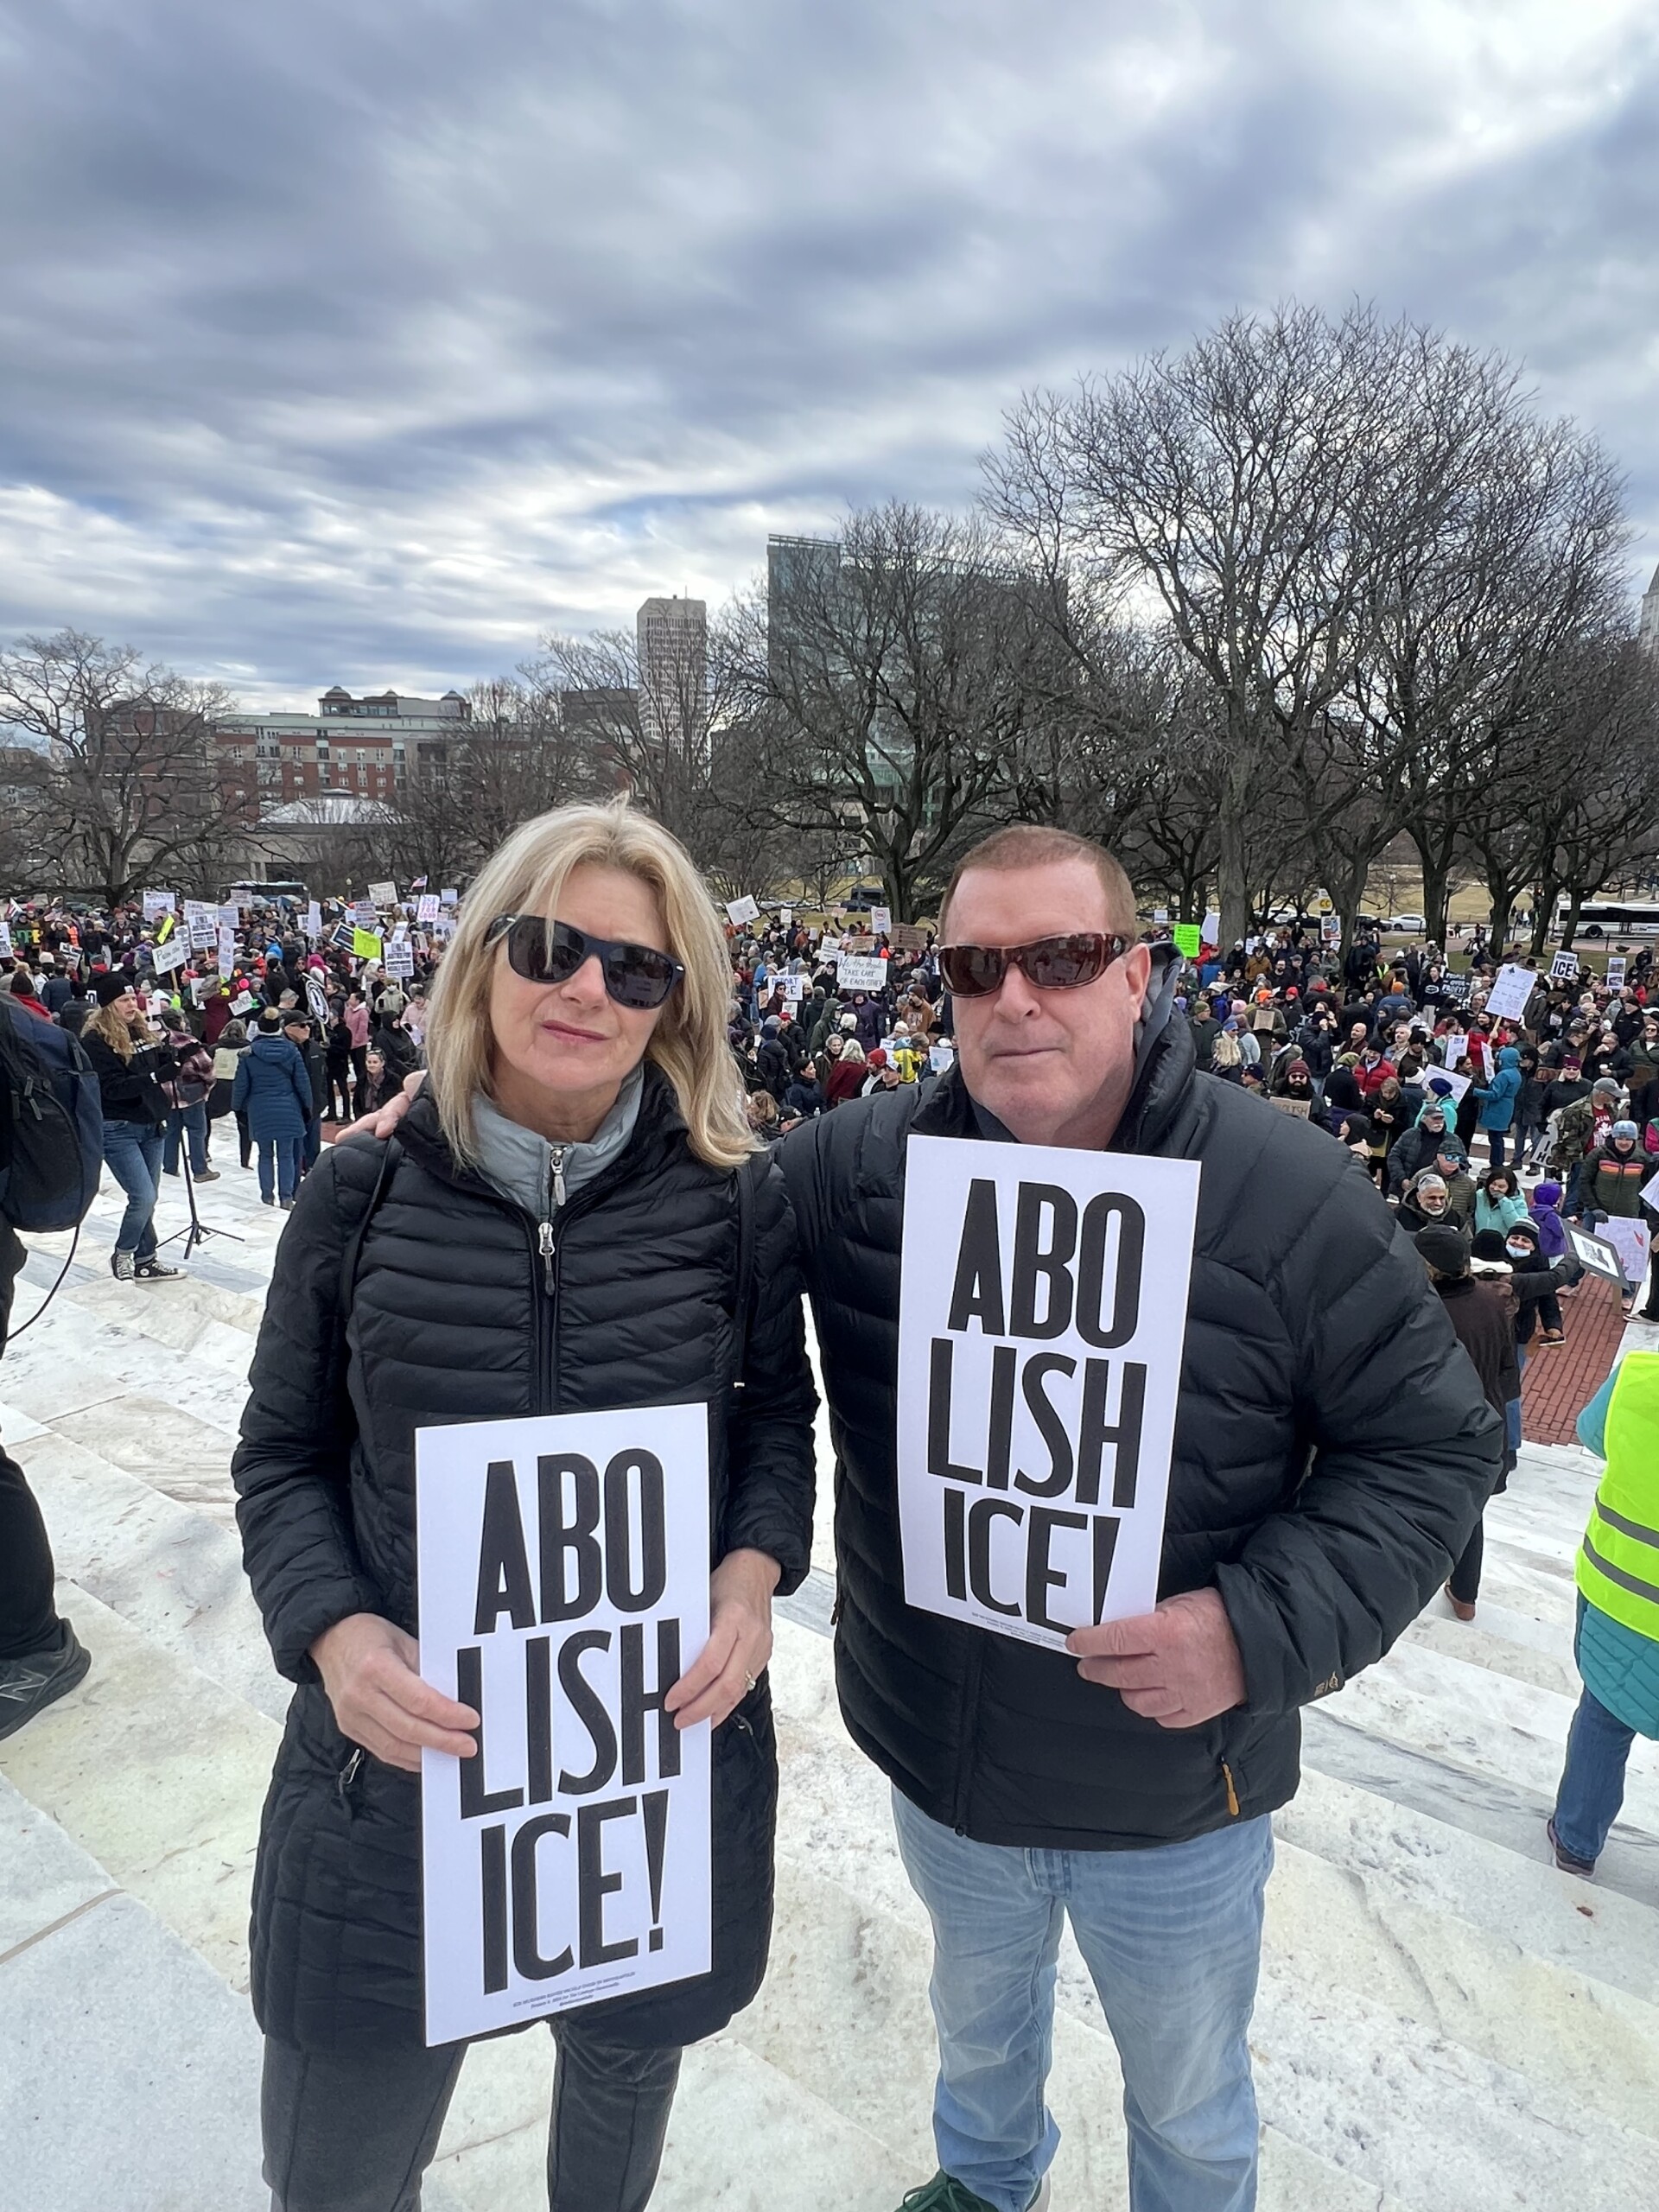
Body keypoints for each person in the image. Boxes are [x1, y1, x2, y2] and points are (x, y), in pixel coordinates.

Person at [774, 823, 1498, 2212]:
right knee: (979, 2043)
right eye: (974, 968)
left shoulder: (1287, 1193)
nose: (1015, 998)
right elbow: (672, 1221)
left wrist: (1250, 1631)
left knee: (1188, 2099)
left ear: (1138, 976)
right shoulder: (858, 1170)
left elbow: (1427, 1450)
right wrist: (442, 1124)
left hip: (1179, 1795)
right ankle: (988, 2185)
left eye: (1061, 956)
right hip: (947, 1761)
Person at [232, 800, 815, 2212]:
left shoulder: (731, 1201)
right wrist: (334, 1635)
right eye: (553, 947)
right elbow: (280, 1456)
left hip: (640, 1778)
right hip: (401, 1788)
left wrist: (750, 1574)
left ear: (680, 1003)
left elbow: (773, 1419)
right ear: (484, 956)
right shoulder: (362, 1192)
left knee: (613, 2137)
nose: (587, 990)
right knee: (343, 2179)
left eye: (639, 968)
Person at [1548, 1350, 1659, 1877]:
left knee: (1603, 1719)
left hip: (1620, 1596)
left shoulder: (1638, 1375)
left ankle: (1576, 1841)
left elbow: (1592, 1434)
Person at [1414, 1224, 1514, 1624]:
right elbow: (1509, 1375)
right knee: (1471, 1516)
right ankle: (1465, 1596)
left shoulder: (1425, 1312)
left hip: (1440, 1431)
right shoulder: (1492, 1301)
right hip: (1489, 1427)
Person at [80, 972, 184, 1281]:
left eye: (132, 998)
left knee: (149, 1195)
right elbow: (111, 1087)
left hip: (151, 1122)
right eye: (124, 1000)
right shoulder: (95, 1040)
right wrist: (153, 1077)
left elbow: (153, 1068)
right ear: (108, 1005)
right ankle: (123, 1253)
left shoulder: (141, 1029)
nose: (131, 1004)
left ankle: (146, 1258)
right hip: (118, 1126)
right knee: (142, 1196)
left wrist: (169, 1056)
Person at [232, 1008, 314, 1210]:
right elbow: (302, 1083)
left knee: (265, 1155)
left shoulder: (248, 1054)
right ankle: (286, 1197)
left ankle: (267, 1196)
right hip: (289, 1108)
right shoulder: (292, 1050)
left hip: (260, 1110)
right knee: (286, 1155)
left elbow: (241, 1085)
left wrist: (237, 1108)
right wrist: (308, 1107)